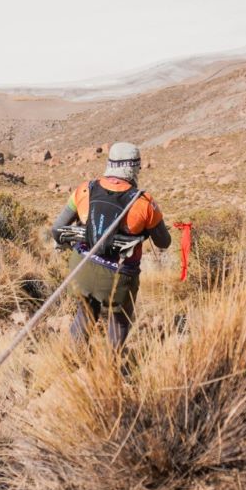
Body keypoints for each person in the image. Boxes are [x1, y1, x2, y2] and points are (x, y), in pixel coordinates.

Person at [51, 142, 170, 349]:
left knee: (85, 314)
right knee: (120, 320)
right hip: (119, 276)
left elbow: (57, 229)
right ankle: (110, 366)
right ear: (134, 167)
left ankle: (70, 362)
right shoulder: (144, 202)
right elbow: (164, 242)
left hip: (81, 267)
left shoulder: (84, 190)